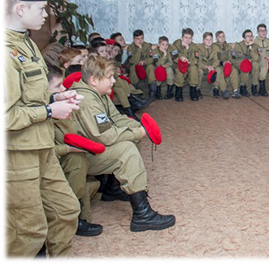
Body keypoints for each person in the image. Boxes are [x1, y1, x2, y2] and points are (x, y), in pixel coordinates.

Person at [5, 0, 81, 257]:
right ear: (20, 9)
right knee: (28, 231)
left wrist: (54, 98)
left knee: (66, 210)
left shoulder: (25, 43)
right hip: (18, 153)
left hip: (41, 145)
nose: (46, 15)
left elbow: (28, 96)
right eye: (41, 9)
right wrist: (50, 111)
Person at [69, 54, 176, 232]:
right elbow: (106, 136)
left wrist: (138, 126)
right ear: (94, 80)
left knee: (131, 138)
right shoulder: (87, 101)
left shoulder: (98, 94)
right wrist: (137, 133)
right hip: (81, 155)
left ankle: (113, 188)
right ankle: (142, 215)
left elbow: (116, 118)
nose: (113, 81)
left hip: (92, 147)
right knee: (127, 149)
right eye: (110, 77)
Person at [47, 63, 103, 237]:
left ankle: (77, 212)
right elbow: (45, 151)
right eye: (57, 86)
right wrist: (68, 149)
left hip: (59, 156)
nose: (63, 89)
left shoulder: (60, 106)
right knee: (76, 160)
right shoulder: (40, 114)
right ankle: (73, 217)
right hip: (47, 161)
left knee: (79, 159)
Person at [169, 27, 200, 102]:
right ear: (181, 37)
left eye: (190, 38)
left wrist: (188, 61)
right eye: (186, 37)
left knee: (193, 68)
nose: (187, 40)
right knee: (179, 70)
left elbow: (196, 59)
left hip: (189, 64)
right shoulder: (176, 45)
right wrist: (186, 50)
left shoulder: (194, 46)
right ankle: (178, 92)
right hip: (178, 64)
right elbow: (175, 58)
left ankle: (193, 91)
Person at [126, 29, 157, 96]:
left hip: (145, 65)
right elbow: (132, 61)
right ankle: (135, 93)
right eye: (138, 39)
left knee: (151, 67)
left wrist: (145, 62)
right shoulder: (130, 48)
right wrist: (139, 49)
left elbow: (152, 59)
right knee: (133, 67)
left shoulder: (147, 46)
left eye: (142, 38)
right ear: (133, 39)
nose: (140, 41)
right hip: (135, 66)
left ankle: (152, 93)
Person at [197, 31, 226, 98]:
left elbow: (217, 60)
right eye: (207, 39)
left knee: (219, 69)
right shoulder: (198, 48)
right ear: (203, 40)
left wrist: (212, 66)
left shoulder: (216, 48)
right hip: (203, 67)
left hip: (212, 66)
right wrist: (206, 67)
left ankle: (215, 89)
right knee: (199, 71)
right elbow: (198, 62)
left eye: (210, 39)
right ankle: (197, 89)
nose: (209, 41)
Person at [232, 29, 260, 97]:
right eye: (248, 36)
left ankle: (254, 86)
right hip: (238, 62)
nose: (250, 38)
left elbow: (256, 58)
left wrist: (250, 48)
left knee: (256, 64)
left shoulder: (256, 46)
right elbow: (239, 57)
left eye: (251, 36)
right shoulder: (238, 45)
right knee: (246, 64)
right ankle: (242, 86)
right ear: (244, 38)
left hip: (249, 62)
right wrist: (249, 60)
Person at [215, 30, 242, 99]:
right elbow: (214, 59)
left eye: (223, 36)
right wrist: (222, 63)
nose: (222, 38)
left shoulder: (229, 47)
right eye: (220, 37)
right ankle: (224, 90)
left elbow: (233, 57)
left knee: (234, 70)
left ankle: (236, 90)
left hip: (228, 64)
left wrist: (230, 61)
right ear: (216, 38)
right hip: (219, 64)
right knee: (219, 71)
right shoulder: (214, 47)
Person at [150, 36, 175, 100]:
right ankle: (158, 92)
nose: (165, 47)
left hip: (165, 66)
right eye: (163, 44)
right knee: (159, 70)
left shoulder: (169, 50)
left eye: (166, 45)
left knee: (169, 71)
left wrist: (163, 66)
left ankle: (169, 92)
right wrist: (164, 55)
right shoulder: (155, 52)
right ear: (158, 45)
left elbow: (170, 63)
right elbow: (158, 64)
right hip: (157, 67)